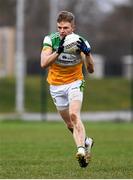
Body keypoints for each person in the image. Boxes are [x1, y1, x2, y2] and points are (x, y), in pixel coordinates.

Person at [40, 10, 94, 168]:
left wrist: (88, 54)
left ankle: (81, 151)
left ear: (73, 27)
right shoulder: (51, 39)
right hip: (56, 86)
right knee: (70, 125)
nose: (62, 31)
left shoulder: (81, 42)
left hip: (75, 82)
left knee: (74, 114)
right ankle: (86, 142)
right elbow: (44, 63)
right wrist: (59, 50)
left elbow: (90, 70)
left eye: (66, 28)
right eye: (59, 27)